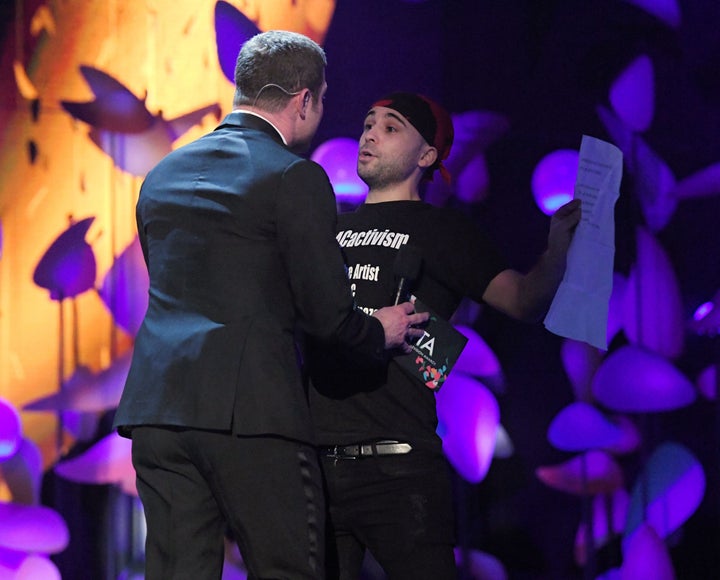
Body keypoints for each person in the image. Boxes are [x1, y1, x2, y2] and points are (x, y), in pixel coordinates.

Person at [112, 34, 428, 580]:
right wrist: (379, 331)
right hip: (251, 419)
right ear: (304, 101)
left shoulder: (161, 177)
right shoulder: (293, 176)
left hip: (158, 413)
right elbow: (326, 315)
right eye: (322, 102)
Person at [305, 92, 582, 579]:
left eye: (390, 127)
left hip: (400, 469)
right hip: (318, 464)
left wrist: (558, 252)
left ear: (427, 155)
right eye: (368, 123)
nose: (369, 133)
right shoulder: (328, 230)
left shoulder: (445, 231)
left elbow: (521, 300)